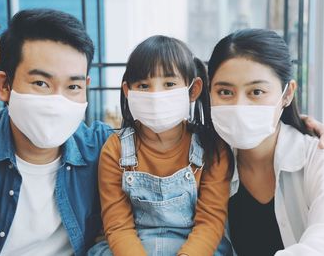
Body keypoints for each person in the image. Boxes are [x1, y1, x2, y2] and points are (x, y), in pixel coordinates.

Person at [0, 9, 112, 256]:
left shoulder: (103, 149)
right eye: (41, 83)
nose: (57, 101)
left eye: (73, 86)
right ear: (4, 86)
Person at [88, 35, 233, 256]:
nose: (156, 95)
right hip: (131, 247)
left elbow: (210, 222)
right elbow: (118, 225)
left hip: (195, 249)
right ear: (128, 91)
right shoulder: (115, 149)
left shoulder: (212, 148)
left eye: (169, 84)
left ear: (193, 90)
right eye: (144, 86)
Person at [208, 28, 324, 256]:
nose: (240, 107)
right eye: (225, 92)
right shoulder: (203, 161)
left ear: (287, 94)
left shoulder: (318, 157)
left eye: (256, 91)